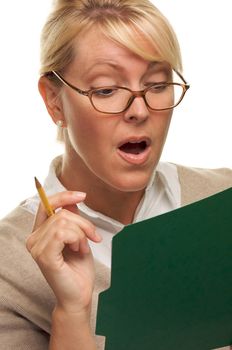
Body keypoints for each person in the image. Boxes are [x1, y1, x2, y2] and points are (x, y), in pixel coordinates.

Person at [0, 0, 231, 349]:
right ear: (54, 101)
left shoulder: (222, 198)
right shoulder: (9, 267)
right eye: (106, 89)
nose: (139, 110)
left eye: (156, 84)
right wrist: (72, 313)